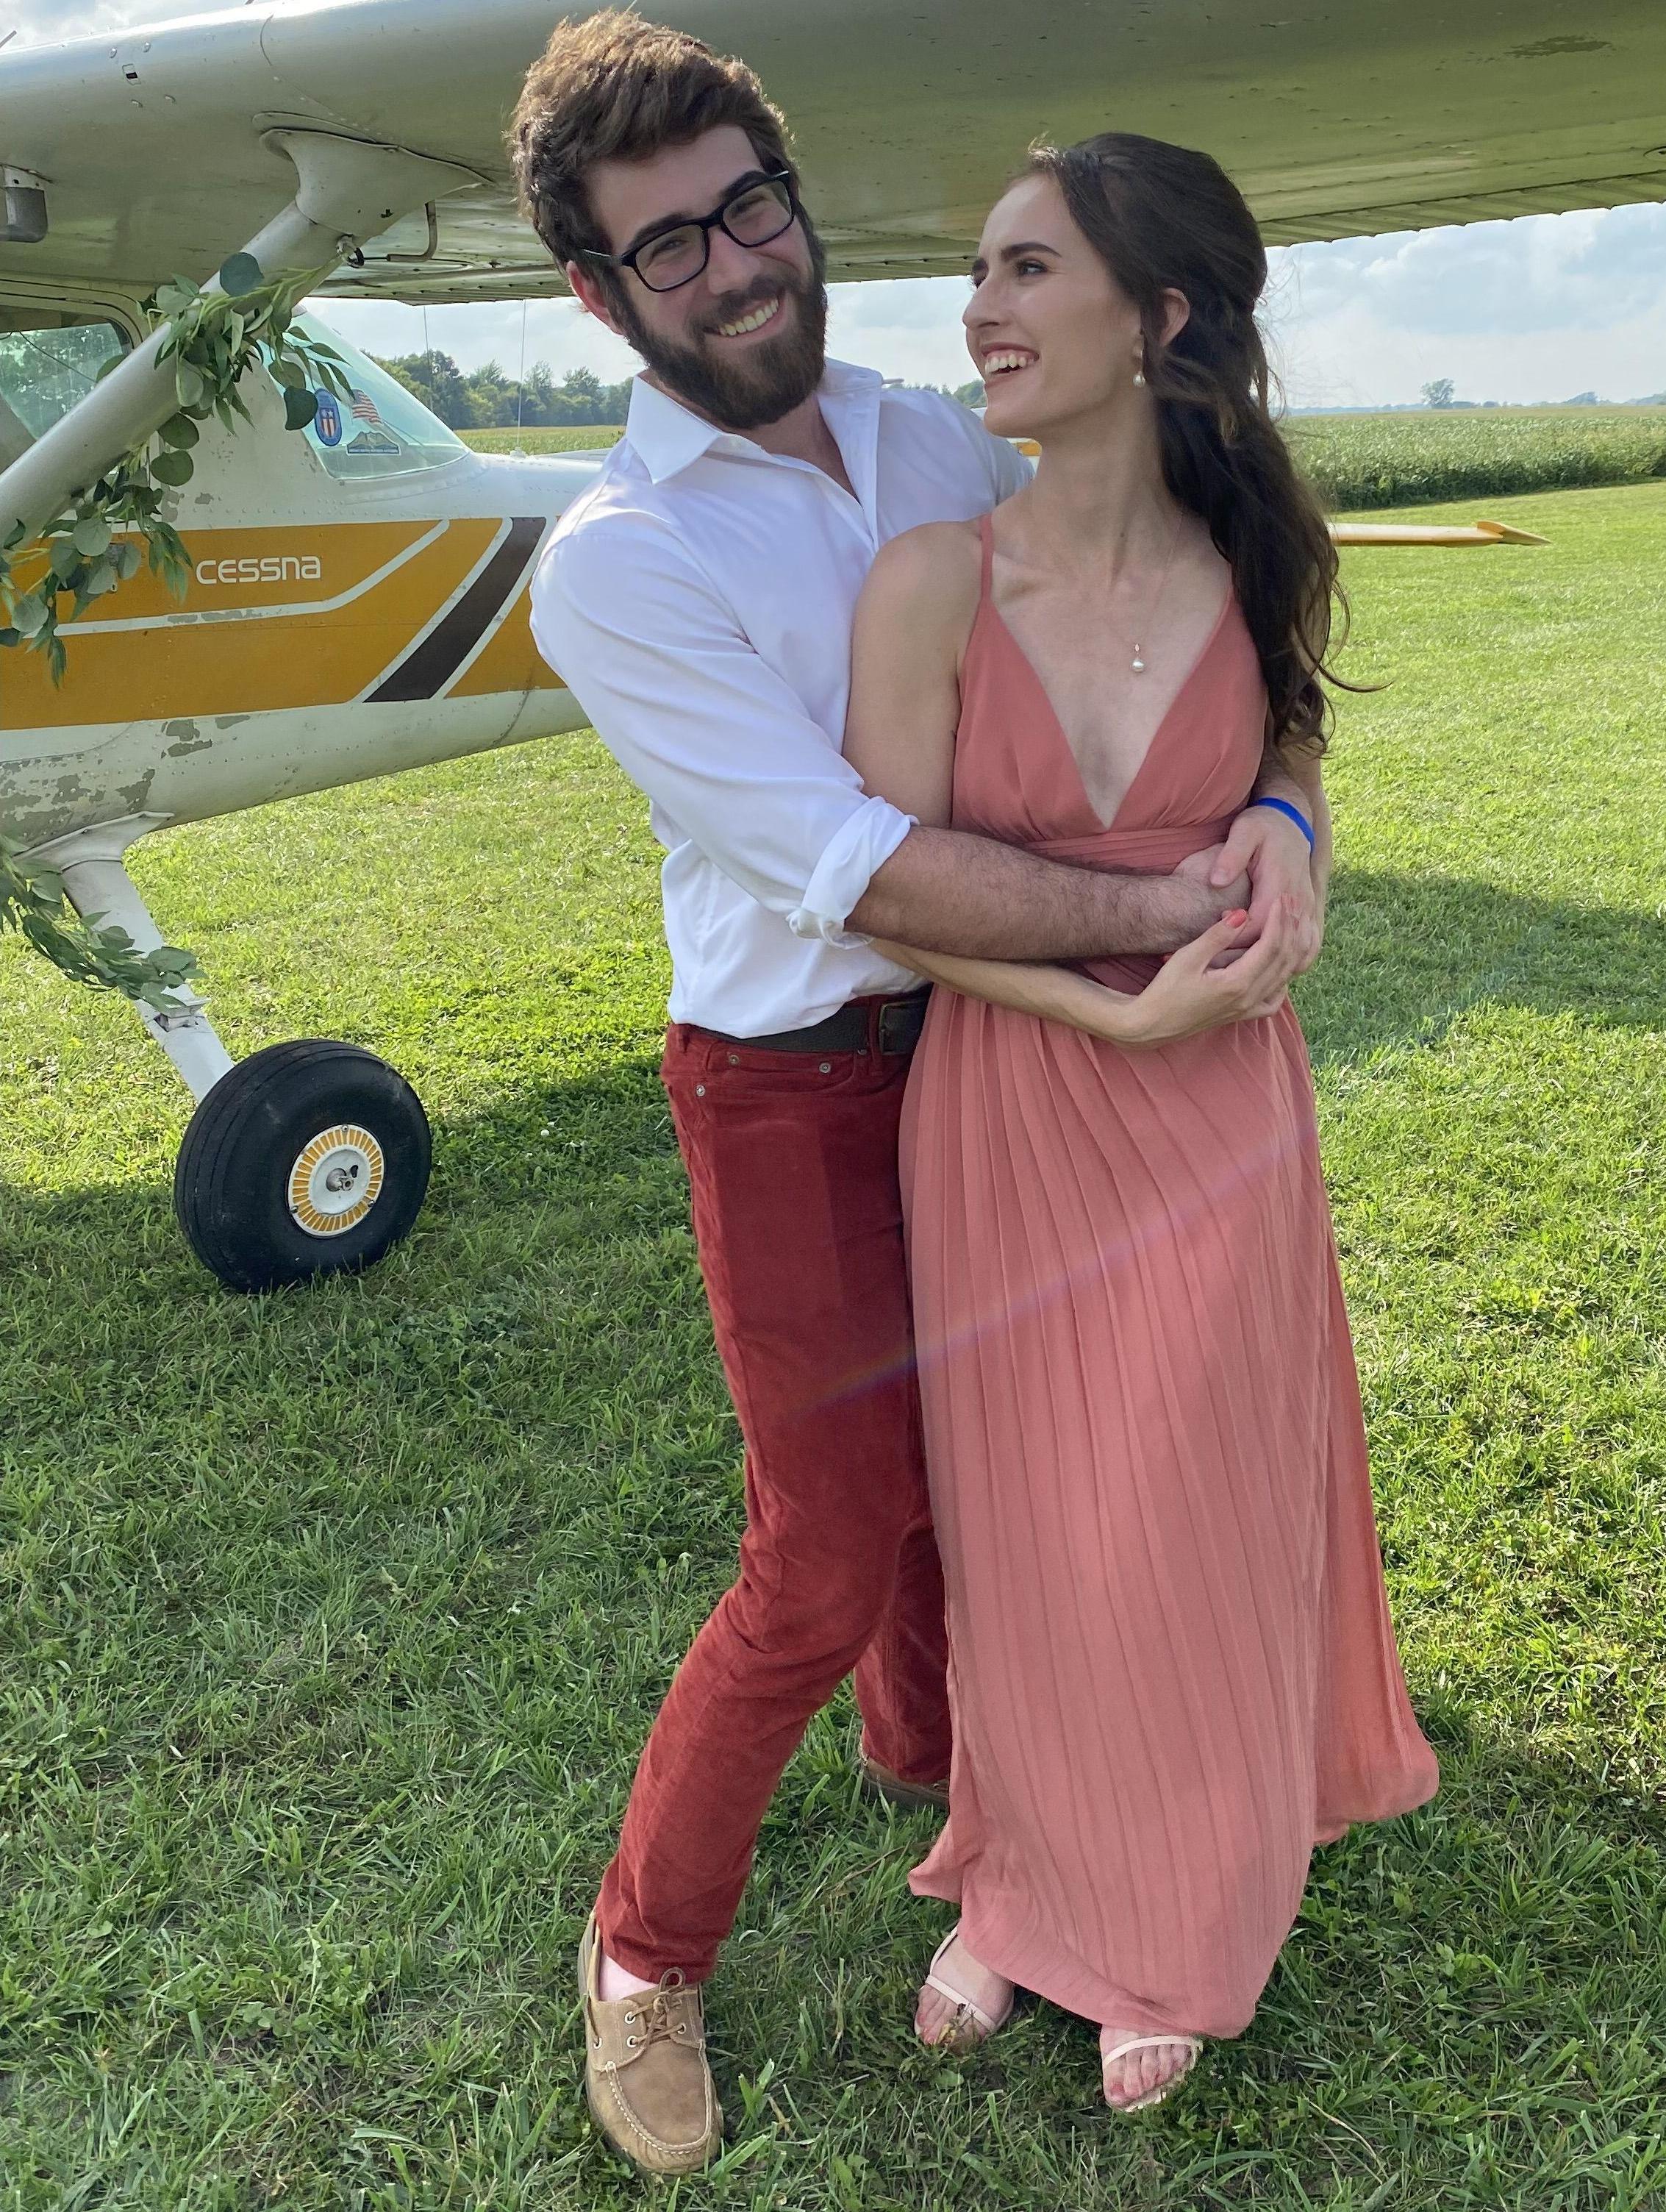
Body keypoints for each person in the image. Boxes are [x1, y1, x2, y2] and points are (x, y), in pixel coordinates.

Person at [509, 17, 1322, 2177]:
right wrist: (1159, 919)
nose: (734, 267)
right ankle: (642, 1955)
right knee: (834, 1536)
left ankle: (979, 1795)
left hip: (1007, 1057)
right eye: (667, 249)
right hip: (794, 1079)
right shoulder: (617, 559)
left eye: (751, 209)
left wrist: (1282, 822)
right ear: (598, 295)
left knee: (1022, 1482)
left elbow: (1180, 631)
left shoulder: (943, 440)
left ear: (796, 202)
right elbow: (861, 865)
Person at [842, 134, 1440, 2116]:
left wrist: (1286, 834)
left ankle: (1180, 1896)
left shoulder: (1251, 560)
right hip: (1014, 1099)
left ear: (1157, 317)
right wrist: (1105, 1006)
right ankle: (1022, 1879)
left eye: (1028, 270)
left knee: (1188, 1508)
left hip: (1219, 1107)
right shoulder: (932, 583)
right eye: (980, 271)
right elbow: (885, 896)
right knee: (1029, 1519)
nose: (981, 312)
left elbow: (1296, 748)